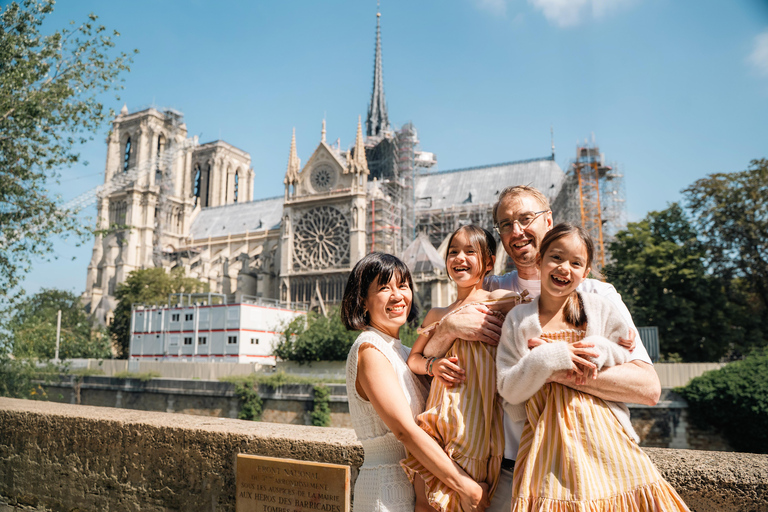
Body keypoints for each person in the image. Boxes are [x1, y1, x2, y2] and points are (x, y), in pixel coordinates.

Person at [420, 185, 661, 512]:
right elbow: (430, 361)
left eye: (525, 219)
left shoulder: (597, 295)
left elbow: (647, 388)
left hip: (590, 467)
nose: (516, 231)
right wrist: (448, 327)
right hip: (506, 470)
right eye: (505, 224)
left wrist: (549, 368)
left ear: (549, 221)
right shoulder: (490, 290)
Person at [497, 223, 690, 511]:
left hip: (607, 444)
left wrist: (599, 352)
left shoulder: (601, 307)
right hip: (547, 451)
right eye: (557, 258)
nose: (565, 268)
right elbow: (509, 390)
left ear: (585, 273)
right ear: (539, 261)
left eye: (576, 263)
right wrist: (549, 359)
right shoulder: (518, 319)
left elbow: (627, 361)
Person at [342, 252, 489, 512]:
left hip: (418, 492)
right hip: (386, 494)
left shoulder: (407, 353)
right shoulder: (370, 349)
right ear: (363, 301)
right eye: (384, 288)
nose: (397, 296)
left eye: (403, 285)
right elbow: (405, 431)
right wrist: (465, 486)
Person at [402, 226, 528, 512]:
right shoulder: (437, 314)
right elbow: (415, 360)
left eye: (470, 251)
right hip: (436, 421)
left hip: (477, 427)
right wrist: (434, 365)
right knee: (424, 502)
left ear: (489, 262)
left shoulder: (503, 303)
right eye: (453, 252)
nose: (459, 257)